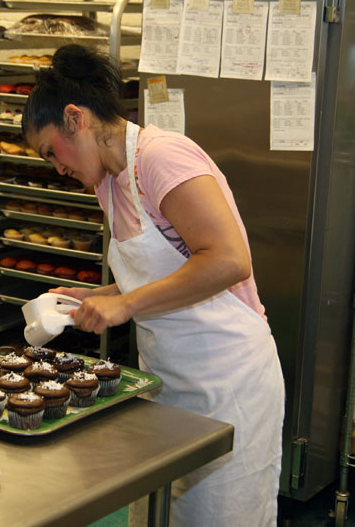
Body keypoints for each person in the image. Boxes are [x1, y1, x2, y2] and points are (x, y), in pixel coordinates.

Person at [22, 44, 285, 527]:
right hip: (169, 383)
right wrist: (94, 297)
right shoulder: (109, 182)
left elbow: (228, 260)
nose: (56, 168)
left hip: (229, 382)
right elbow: (162, 274)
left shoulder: (161, 158)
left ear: (75, 119)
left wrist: (125, 305)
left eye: (51, 152)